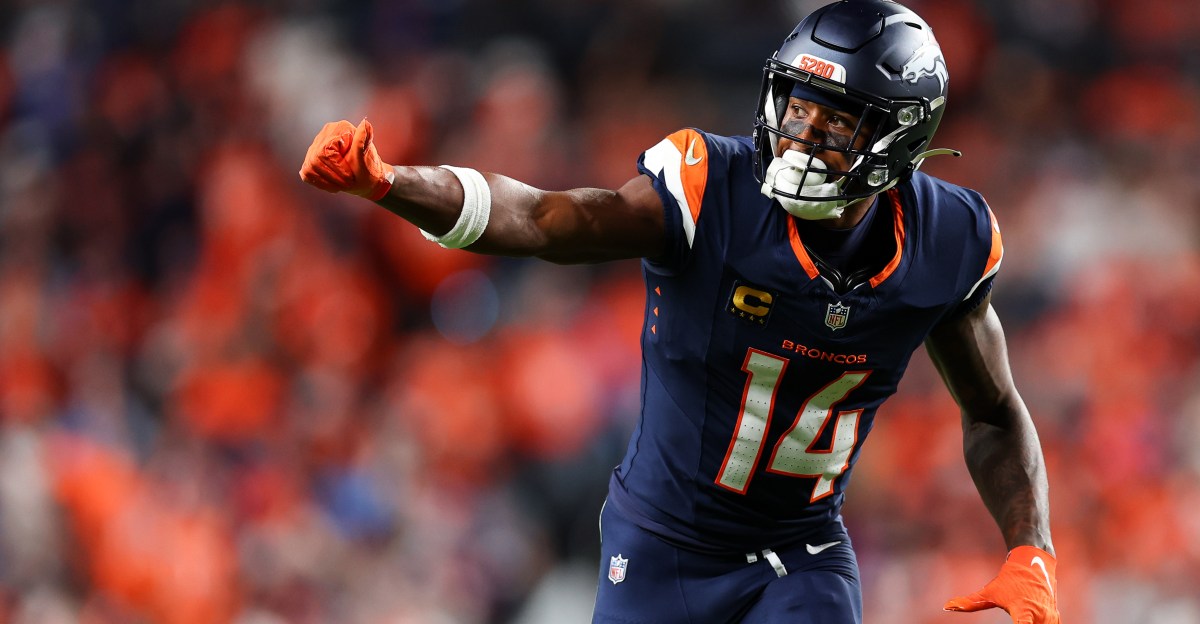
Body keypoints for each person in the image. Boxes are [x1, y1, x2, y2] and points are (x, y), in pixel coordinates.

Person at [299, 0, 1059, 622]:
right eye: (797, 109)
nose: (800, 137)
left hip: (802, 554)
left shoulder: (949, 241)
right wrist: (391, 183)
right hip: (663, 544)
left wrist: (1031, 548)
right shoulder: (713, 186)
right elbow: (545, 218)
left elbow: (993, 411)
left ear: (900, 139)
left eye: (835, 124)